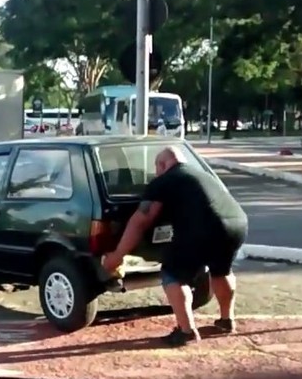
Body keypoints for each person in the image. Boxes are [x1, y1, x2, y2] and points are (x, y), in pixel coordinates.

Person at [103, 146, 248, 347]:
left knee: (173, 275)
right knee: (221, 271)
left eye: (156, 167)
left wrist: (117, 256)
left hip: (202, 229)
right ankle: (226, 320)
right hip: (236, 224)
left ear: (162, 164)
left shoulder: (164, 181)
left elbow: (141, 220)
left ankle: (186, 331)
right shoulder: (203, 175)